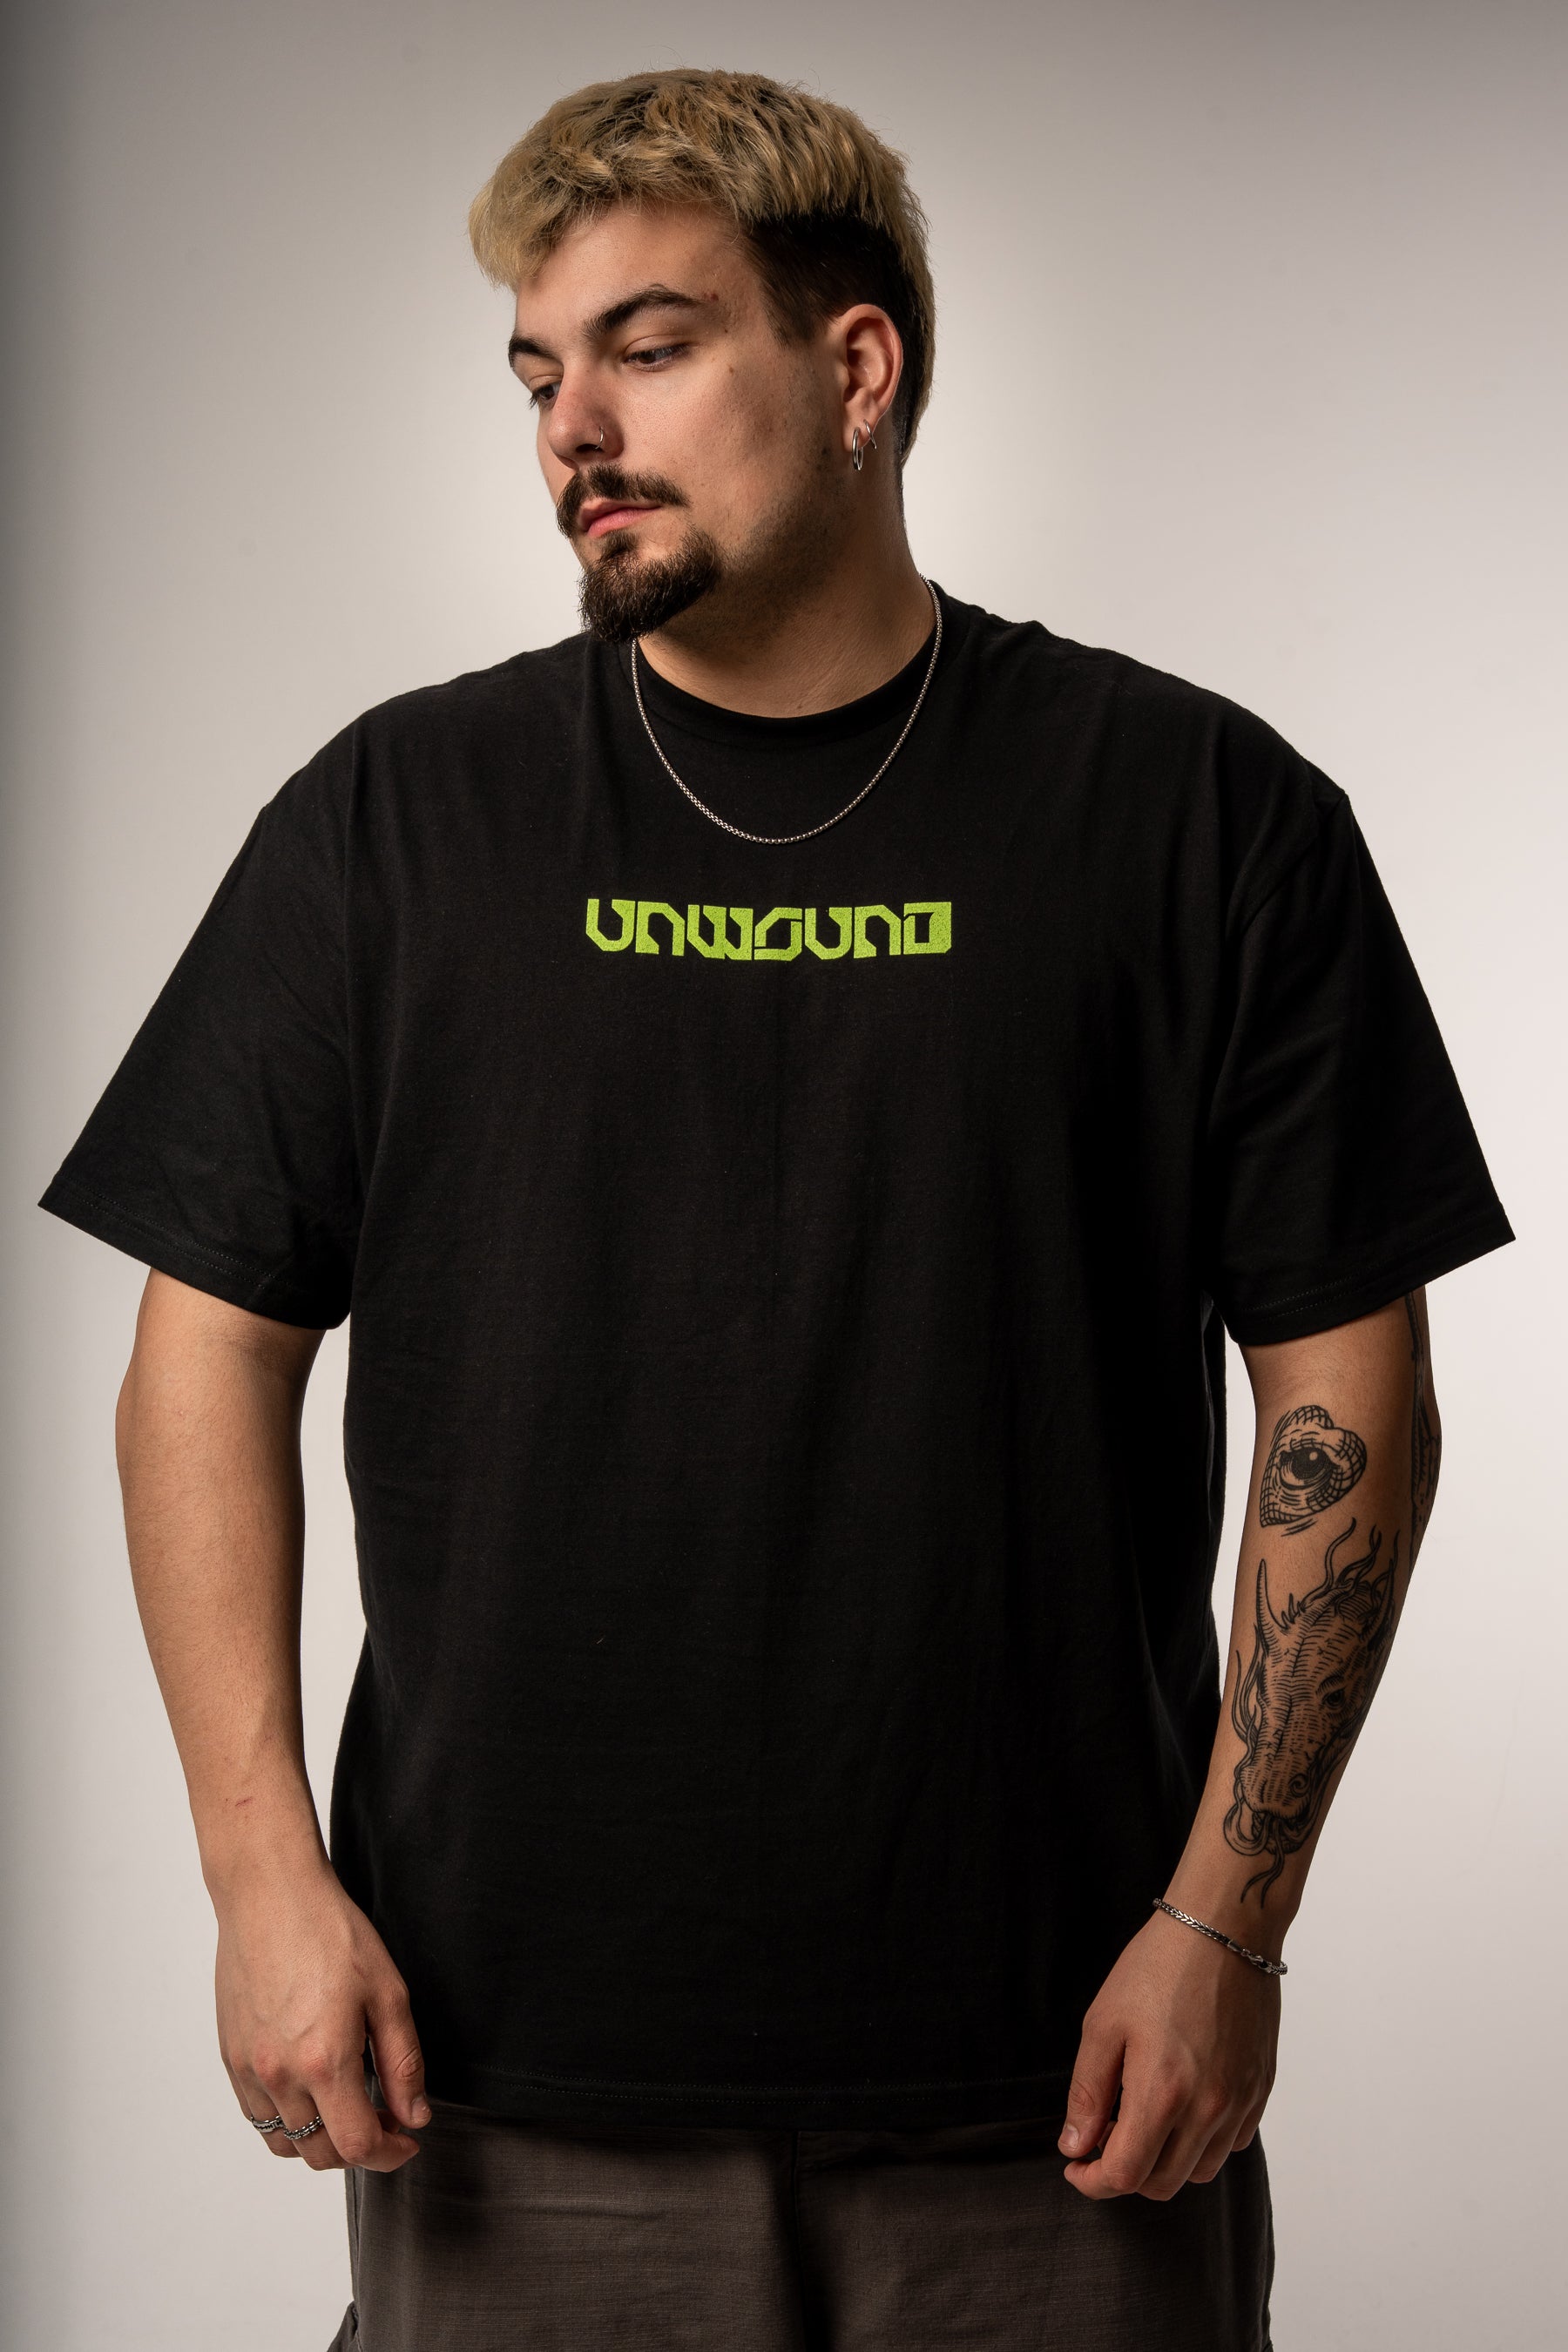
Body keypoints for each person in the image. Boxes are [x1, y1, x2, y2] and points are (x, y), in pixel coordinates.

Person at [41, 66, 1511, 2352]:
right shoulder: (394, 823)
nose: (574, 428)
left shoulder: (1198, 816)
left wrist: (1228, 1918)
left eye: (647, 346)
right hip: (500, 2076)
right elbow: (201, 1356)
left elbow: (1350, 1382)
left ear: (856, 368)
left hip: (1062, 2087)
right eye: (538, 372)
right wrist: (260, 1880)